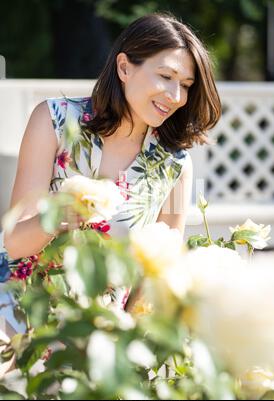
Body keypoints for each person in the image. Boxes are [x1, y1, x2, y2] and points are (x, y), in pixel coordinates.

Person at [3, 12, 221, 262]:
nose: (176, 96)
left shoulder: (175, 166)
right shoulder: (54, 121)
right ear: (124, 68)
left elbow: (161, 267)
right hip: (37, 298)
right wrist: (59, 216)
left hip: (113, 302)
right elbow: (13, 244)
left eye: (185, 85)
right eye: (166, 76)